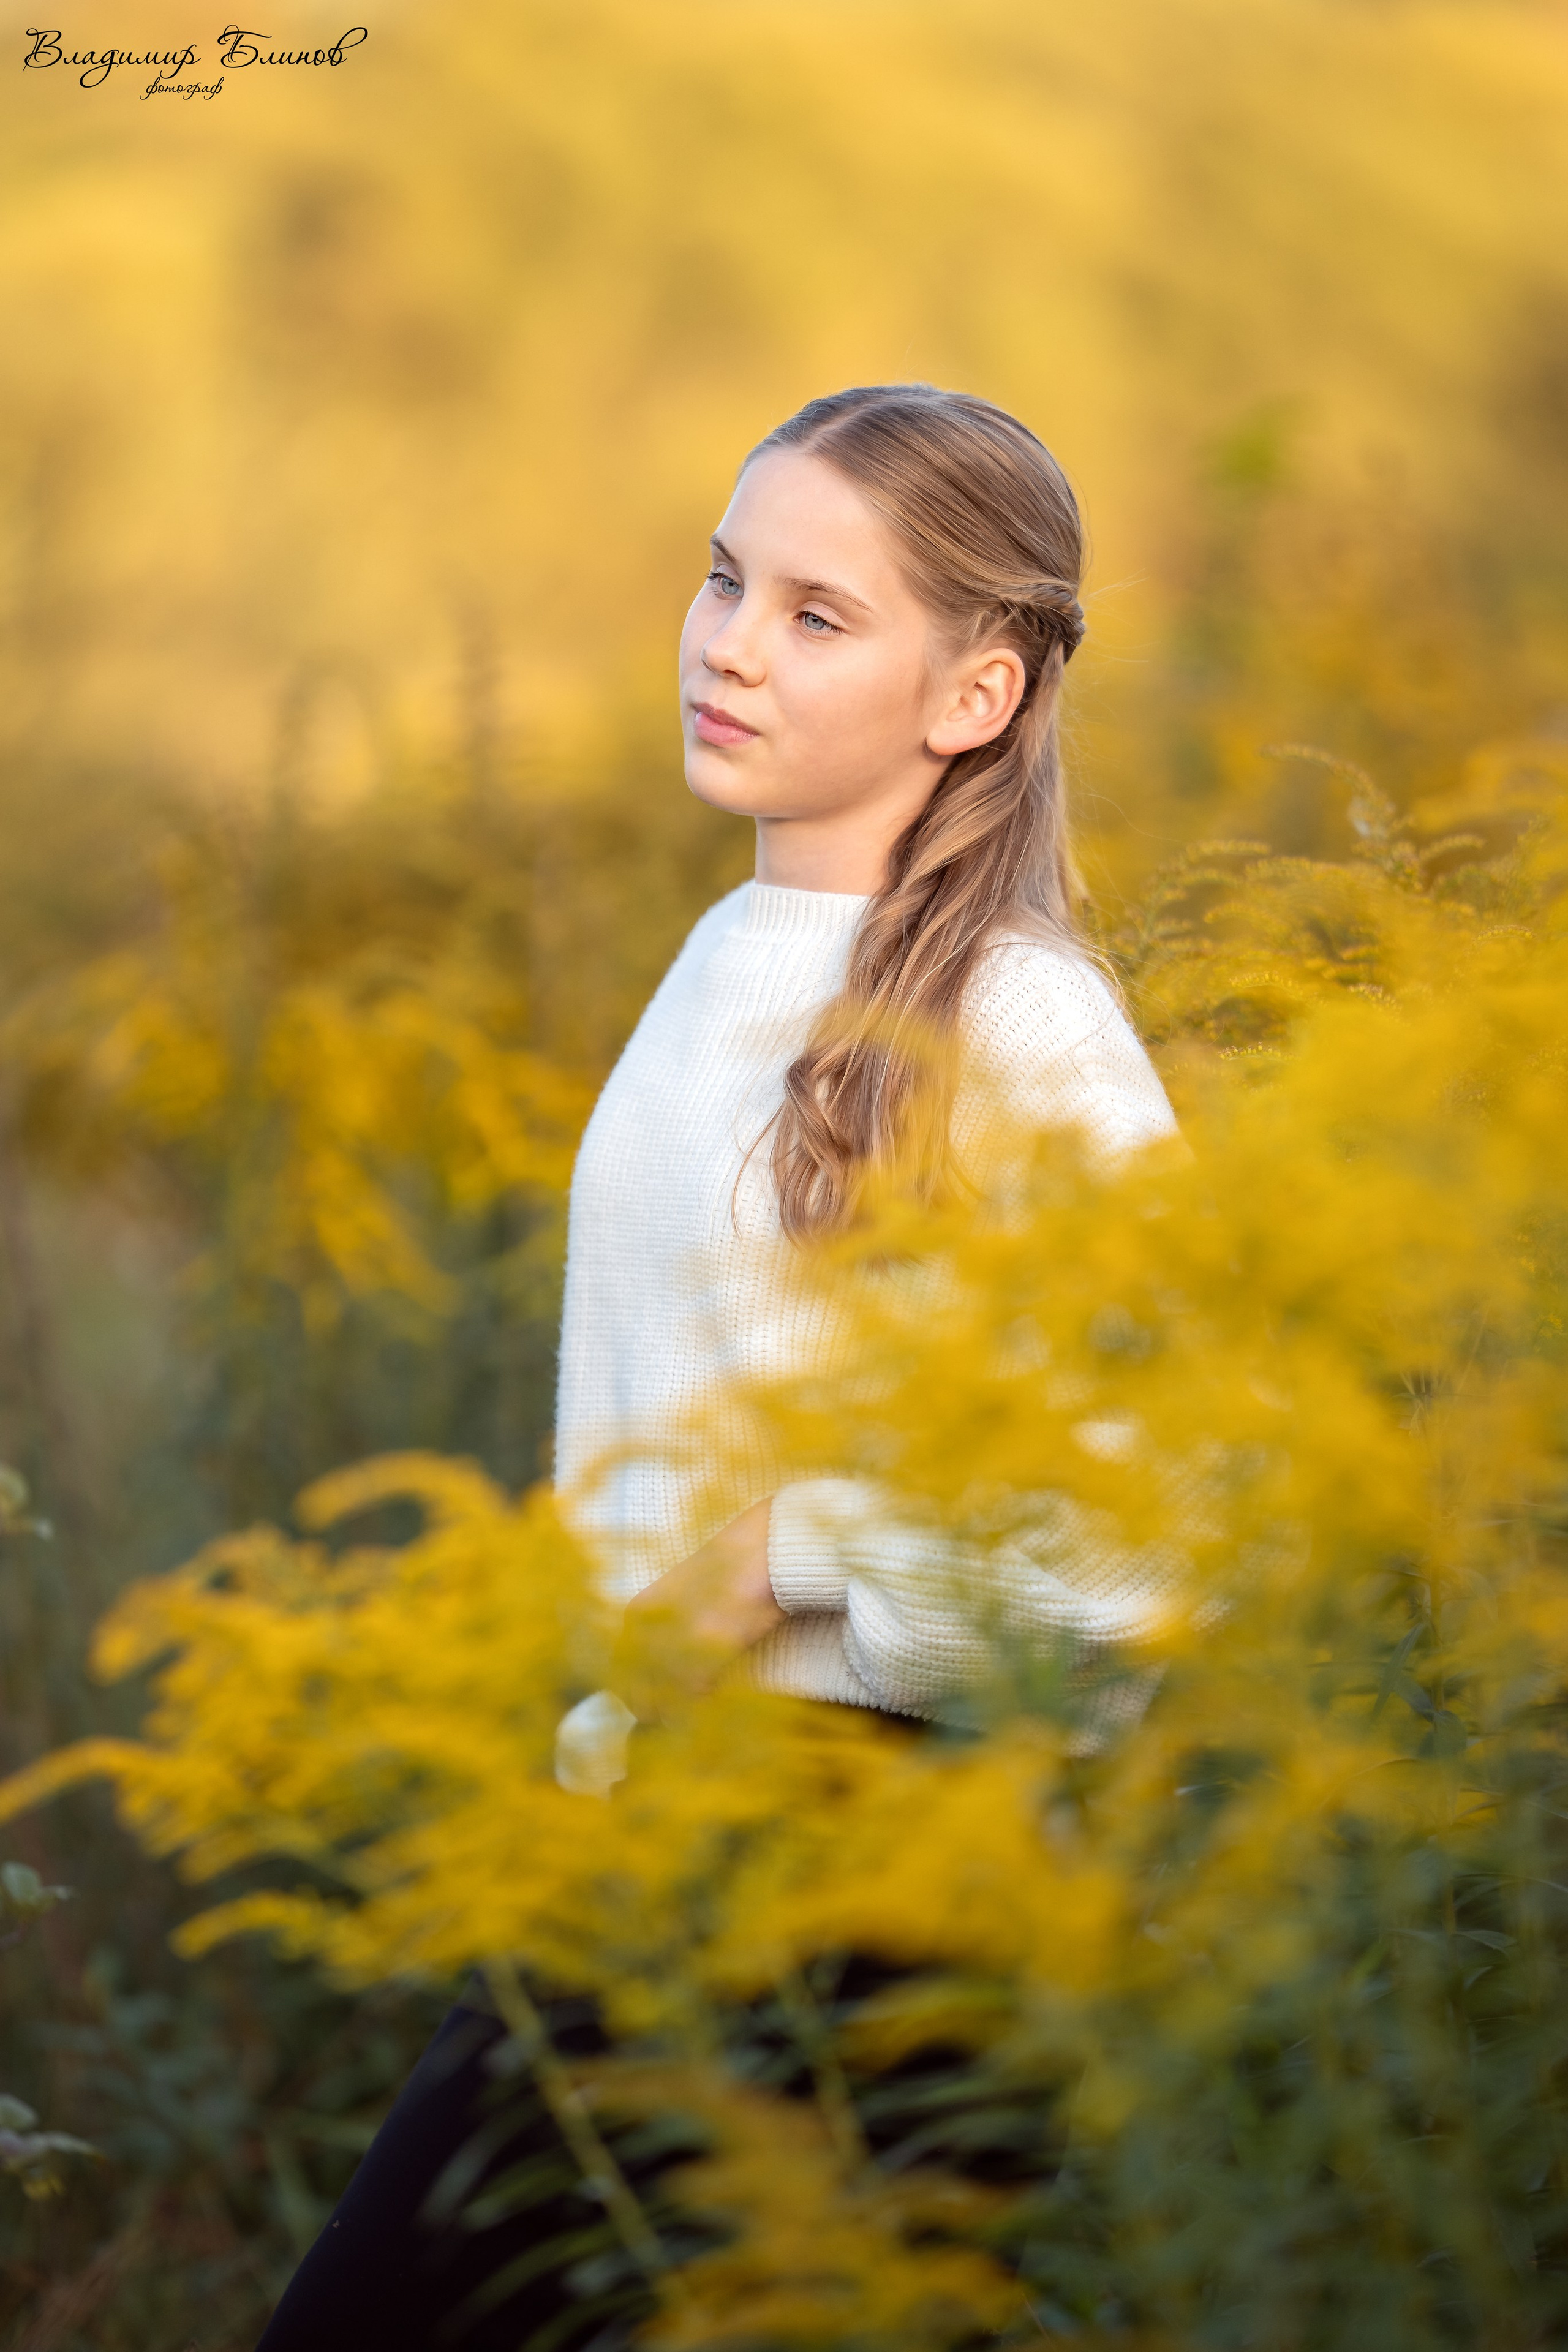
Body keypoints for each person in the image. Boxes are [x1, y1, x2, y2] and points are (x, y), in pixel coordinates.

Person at [256, 383, 1177, 2350]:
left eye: (817, 615)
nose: (730, 644)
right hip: (665, 1831)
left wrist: (787, 1552)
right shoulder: (723, 957)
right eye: (723, 576)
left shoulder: (1025, 1025)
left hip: (874, 1874)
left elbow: (1164, 1523)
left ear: (977, 695)